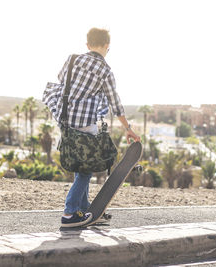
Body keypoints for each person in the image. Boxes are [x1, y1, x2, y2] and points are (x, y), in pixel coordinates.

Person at [43, 28, 140, 227]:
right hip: (84, 122)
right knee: (86, 169)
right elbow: (115, 104)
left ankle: (85, 208)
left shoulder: (72, 60)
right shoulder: (105, 71)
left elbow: (63, 80)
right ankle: (70, 213)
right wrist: (127, 128)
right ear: (107, 46)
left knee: (81, 166)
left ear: (87, 45)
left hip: (64, 119)